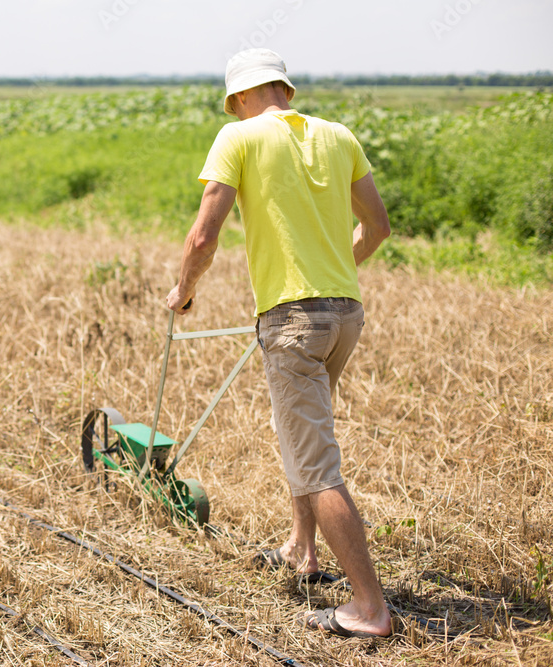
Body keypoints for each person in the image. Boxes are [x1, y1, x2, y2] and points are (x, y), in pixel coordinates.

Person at [165, 48, 393, 639]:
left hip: (292, 321)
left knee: (317, 465)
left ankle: (370, 608)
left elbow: (202, 235)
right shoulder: (338, 135)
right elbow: (379, 226)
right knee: (302, 436)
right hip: (345, 314)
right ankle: (301, 548)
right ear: (284, 91)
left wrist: (183, 291)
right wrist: (336, 267)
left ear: (239, 98)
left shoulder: (237, 137)